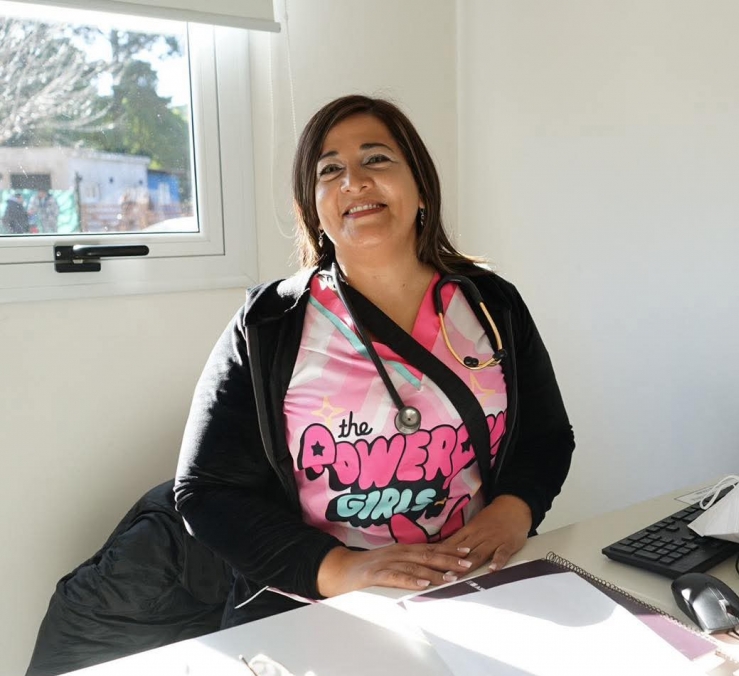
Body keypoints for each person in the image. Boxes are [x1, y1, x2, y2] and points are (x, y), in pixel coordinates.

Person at [174, 95, 575, 628]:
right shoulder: (270, 323)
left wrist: (514, 509)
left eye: (376, 159)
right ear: (313, 206)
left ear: (421, 186)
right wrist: (341, 569)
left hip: (474, 585)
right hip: (323, 607)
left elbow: (546, 436)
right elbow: (206, 492)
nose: (354, 181)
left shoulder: (490, 304)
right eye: (329, 170)